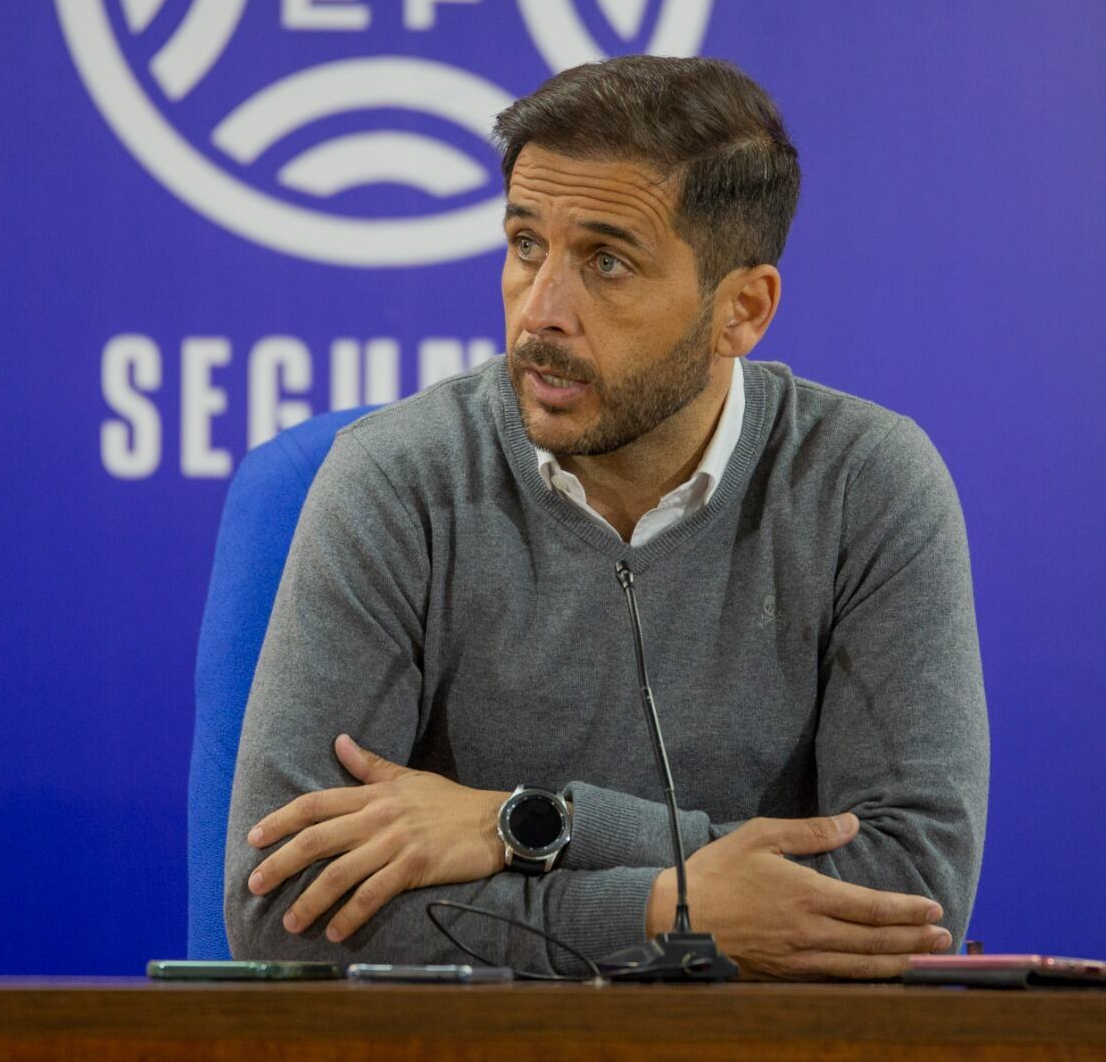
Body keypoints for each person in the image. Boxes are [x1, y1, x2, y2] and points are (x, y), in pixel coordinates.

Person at [224, 56, 989, 980]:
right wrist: (668, 910)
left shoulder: (864, 485)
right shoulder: (396, 481)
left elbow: (908, 892)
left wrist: (520, 822)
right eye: (524, 245)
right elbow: (286, 909)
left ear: (741, 310)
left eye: (607, 262)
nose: (541, 311)